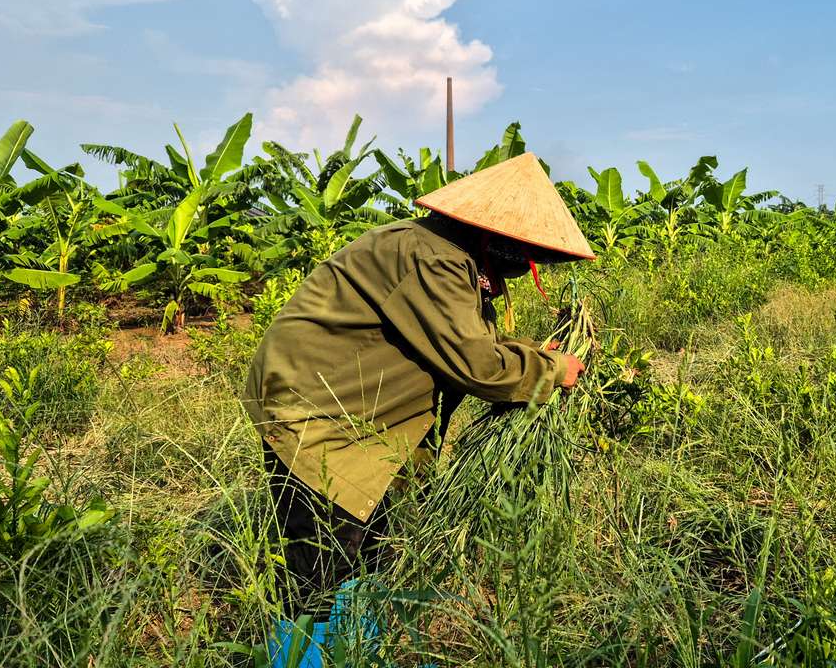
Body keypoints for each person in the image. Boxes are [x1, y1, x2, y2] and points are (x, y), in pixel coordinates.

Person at [240, 152, 595, 663]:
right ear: (494, 234)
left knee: (368, 553)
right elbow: (476, 364)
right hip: (321, 416)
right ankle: (301, 656)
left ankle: (354, 651)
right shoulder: (433, 257)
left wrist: (533, 354)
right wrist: (551, 371)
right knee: (314, 567)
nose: (524, 263)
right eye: (522, 250)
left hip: (363, 419)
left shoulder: (450, 256)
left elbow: (464, 341)